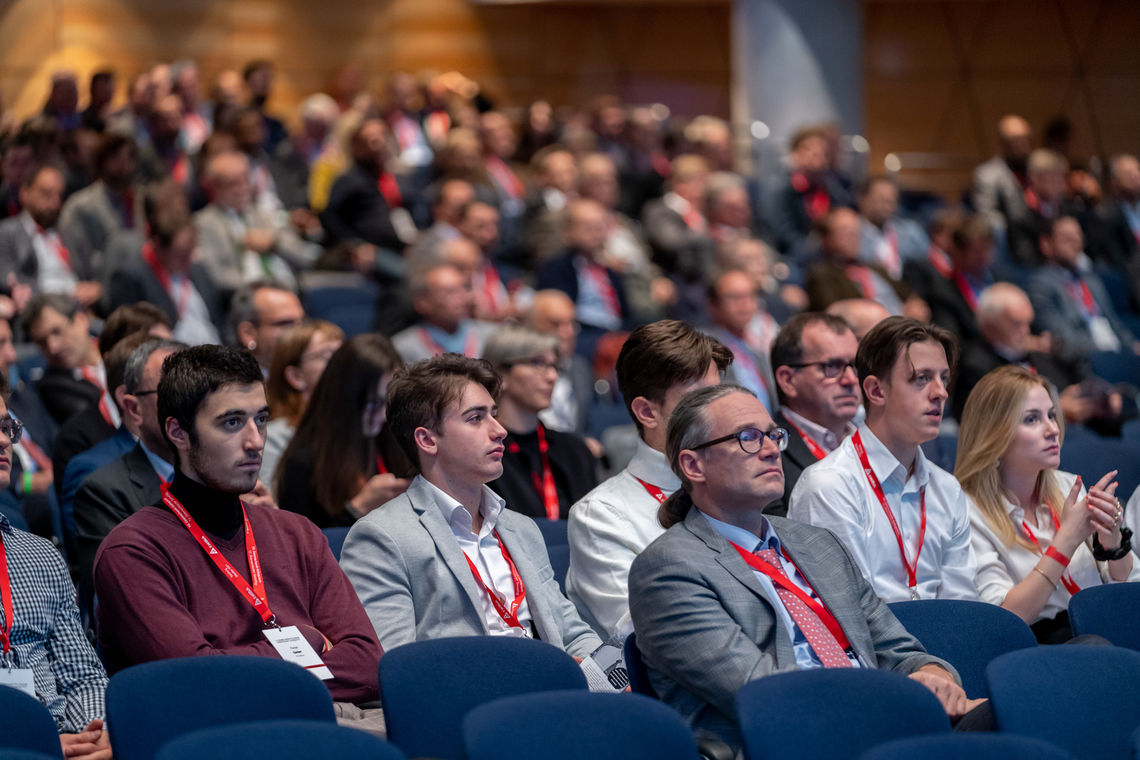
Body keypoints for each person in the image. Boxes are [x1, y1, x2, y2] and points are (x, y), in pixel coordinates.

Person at [629, 384, 983, 755]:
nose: (771, 450)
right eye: (747, 437)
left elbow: (898, 649)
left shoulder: (817, 543)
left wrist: (933, 675)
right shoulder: (669, 569)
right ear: (693, 465)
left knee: (1004, 715)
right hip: (791, 744)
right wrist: (901, 706)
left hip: (887, 726)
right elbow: (765, 695)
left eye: (773, 435)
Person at [93, 345, 382, 720]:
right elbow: (199, 681)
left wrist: (241, 666)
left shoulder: (299, 534)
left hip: (332, 722)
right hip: (219, 737)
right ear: (178, 432)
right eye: (231, 422)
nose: (255, 441)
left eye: (260, 419)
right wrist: (308, 639)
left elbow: (367, 663)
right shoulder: (133, 552)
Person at [340, 354, 602, 657]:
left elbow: (572, 633)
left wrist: (609, 674)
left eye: (494, 414)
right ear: (427, 440)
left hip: (553, 680)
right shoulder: (382, 537)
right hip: (471, 685)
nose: (500, 430)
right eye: (476, 418)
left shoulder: (521, 528)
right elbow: (397, 664)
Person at [788, 317, 978, 602]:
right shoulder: (829, 486)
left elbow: (962, 603)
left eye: (944, 378)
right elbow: (851, 610)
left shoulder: (947, 488)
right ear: (876, 391)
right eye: (922, 378)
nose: (941, 392)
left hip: (942, 630)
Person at [566, 320, 731, 638]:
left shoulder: (739, 488)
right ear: (647, 412)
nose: (721, 415)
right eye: (700, 400)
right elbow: (654, 634)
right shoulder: (601, 516)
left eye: (720, 397)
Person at [956, 366, 1137, 643]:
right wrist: (1066, 540)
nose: (1053, 429)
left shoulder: (1067, 486)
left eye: (1052, 415)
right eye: (1032, 419)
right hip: (1040, 647)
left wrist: (1113, 544)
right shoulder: (968, 511)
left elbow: (1125, 586)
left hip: (1102, 628)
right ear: (994, 434)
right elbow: (1004, 619)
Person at [0, 373, 112, 759]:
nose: (4, 440)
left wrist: (97, 734)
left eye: (6, 426)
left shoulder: (41, 555)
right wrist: (34, 743)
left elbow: (83, 676)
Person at [73, 339, 184, 588]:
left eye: (197, 393)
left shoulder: (224, 479)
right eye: (172, 392)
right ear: (134, 408)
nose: (188, 405)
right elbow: (122, 589)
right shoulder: (103, 492)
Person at [276, 333, 409, 526]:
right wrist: (358, 508)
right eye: (374, 403)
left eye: (388, 403)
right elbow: (302, 541)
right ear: (346, 399)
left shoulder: (394, 439)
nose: (383, 415)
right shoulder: (303, 462)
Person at [482, 326, 598, 520]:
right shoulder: (482, 453)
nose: (552, 377)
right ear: (500, 375)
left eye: (554, 366)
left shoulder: (575, 450)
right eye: (537, 363)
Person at [106, 180, 226, 345]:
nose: (189, 260)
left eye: (190, 252)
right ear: (157, 246)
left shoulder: (198, 271)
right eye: (180, 255)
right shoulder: (131, 277)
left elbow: (221, 323)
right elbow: (132, 336)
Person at [769, 313, 860, 510]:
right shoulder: (766, 454)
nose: (851, 379)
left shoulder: (874, 443)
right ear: (788, 380)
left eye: (855, 366)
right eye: (832, 366)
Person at [0, 164, 102, 307]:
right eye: (46, 194)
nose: (55, 203)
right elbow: (8, 279)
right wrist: (65, 295)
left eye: (59, 195)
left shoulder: (69, 232)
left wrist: (97, 288)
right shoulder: (7, 232)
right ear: (25, 193)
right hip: (39, 308)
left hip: (79, 307)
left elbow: (92, 273)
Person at [261, 320, 344, 493]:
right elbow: (271, 505)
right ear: (296, 376)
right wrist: (358, 505)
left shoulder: (357, 426)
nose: (343, 363)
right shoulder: (274, 439)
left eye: (344, 353)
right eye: (327, 356)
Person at [25, 294, 118, 428]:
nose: (52, 347)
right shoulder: (53, 387)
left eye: (56, 332)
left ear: (81, 320)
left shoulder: (119, 345)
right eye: (42, 342)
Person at [390, 262, 496, 363]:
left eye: (464, 288)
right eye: (449, 292)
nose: (462, 298)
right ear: (422, 303)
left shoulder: (490, 336)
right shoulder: (403, 348)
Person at [228, 280, 306, 375]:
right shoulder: (232, 382)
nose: (301, 331)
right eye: (286, 324)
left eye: (302, 322)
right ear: (248, 333)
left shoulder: (310, 374)